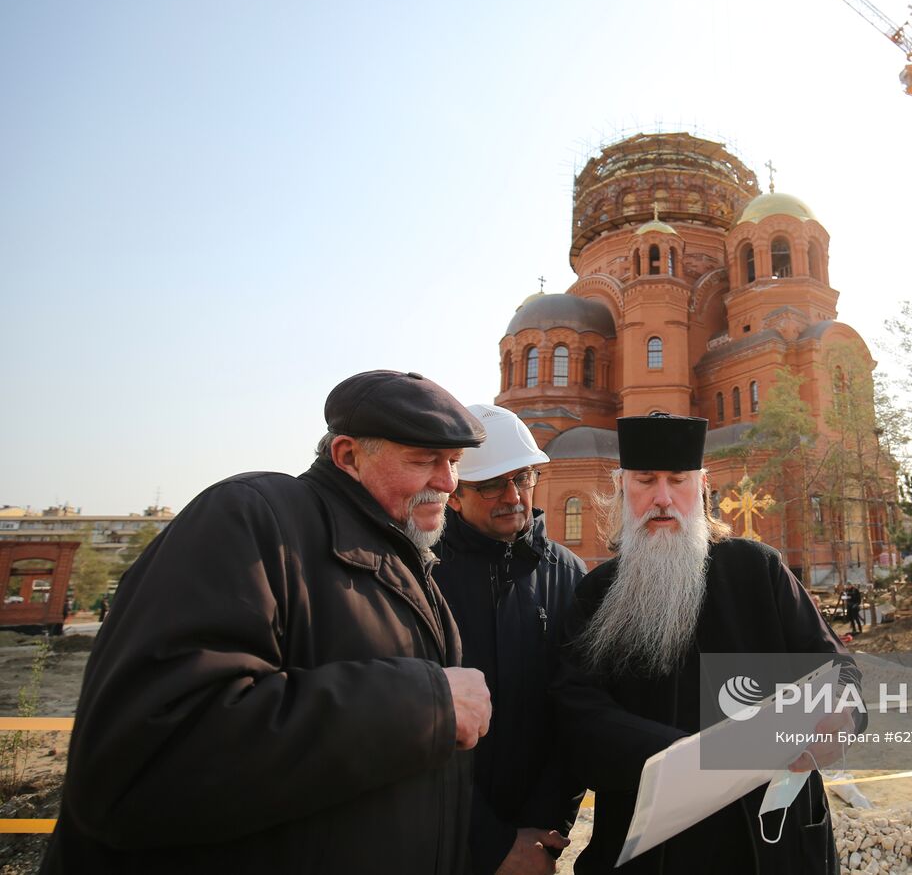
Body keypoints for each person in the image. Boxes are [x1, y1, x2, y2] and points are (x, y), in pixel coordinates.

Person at [42, 370, 494, 875]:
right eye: (423, 460)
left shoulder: (403, 558)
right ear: (348, 455)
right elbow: (146, 762)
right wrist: (427, 704)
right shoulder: (250, 519)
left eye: (453, 463)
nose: (447, 483)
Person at [553, 412, 860, 874]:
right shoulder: (595, 594)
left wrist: (842, 713)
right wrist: (685, 758)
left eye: (677, 480)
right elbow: (576, 711)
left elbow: (836, 670)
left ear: (702, 487)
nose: (662, 498)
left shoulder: (757, 570)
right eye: (645, 481)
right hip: (658, 851)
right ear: (622, 489)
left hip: (773, 844)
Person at [433, 404, 587, 874]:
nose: (513, 496)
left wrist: (544, 835)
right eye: (491, 485)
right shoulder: (421, 574)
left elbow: (578, 714)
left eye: (522, 478)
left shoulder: (568, 574)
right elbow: (417, 726)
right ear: (453, 494)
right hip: (445, 840)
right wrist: (490, 843)